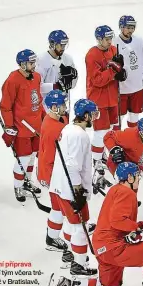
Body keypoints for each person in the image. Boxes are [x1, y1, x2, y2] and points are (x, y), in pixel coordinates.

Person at [45, 162, 143, 286]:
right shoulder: (127, 193)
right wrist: (136, 227)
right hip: (113, 247)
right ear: (129, 177)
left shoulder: (116, 190)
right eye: (137, 176)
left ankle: (67, 284)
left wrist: (131, 232)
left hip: (103, 247)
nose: (138, 180)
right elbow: (117, 220)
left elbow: (115, 221)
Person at [49, 99, 100, 276]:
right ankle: (78, 265)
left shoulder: (68, 128)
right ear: (85, 115)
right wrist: (78, 192)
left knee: (72, 224)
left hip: (59, 186)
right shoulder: (80, 135)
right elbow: (72, 166)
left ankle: (70, 254)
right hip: (70, 189)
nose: (95, 117)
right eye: (93, 114)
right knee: (79, 227)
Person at [0, 49, 44, 202]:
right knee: (23, 158)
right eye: (31, 63)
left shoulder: (37, 77)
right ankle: (18, 186)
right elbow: (5, 106)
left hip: (36, 126)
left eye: (34, 62)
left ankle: (27, 181)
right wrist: (9, 126)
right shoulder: (12, 80)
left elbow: (38, 101)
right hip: (22, 128)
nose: (34, 65)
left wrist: (44, 118)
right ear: (22, 64)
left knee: (32, 157)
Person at [85, 25, 127, 174]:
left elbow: (119, 70)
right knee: (100, 131)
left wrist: (122, 72)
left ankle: (107, 154)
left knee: (113, 129)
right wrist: (113, 71)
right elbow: (97, 80)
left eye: (111, 38)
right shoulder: (91, 55)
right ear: (99, 39)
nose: (110, 41)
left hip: (113, 98)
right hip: (98, 99)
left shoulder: (114, 50)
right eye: (107, 39)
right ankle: (96, 160)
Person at [37, 90, 69, 253]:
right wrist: (52, 178)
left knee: (61, 207)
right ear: (54, 107)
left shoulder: (55, 120)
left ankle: (54, 235)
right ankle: (52, 239)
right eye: (62, 104)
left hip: (54, 172)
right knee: (59, 208)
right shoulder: (52, 129)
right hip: (53, 174)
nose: (65, 106)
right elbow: (50, 157)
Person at [113, 15, 143, 129]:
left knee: (135, 116)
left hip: (137, 87)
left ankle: (132, 140)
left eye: (132, 27)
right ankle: (117, 142)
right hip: (122, 88)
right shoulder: (114, 43)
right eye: (128, 27)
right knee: (119, 118)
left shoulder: (139, 41)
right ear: (121, 27)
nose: (130, 30)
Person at [36, 30, 78, 104]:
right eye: (61, 45)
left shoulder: (68, 59)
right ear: (52, 44)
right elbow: (37, 86)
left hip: (64, 105)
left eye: (64, 45)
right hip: (48, 107)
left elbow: (73, 84)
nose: (63, 48)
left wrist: (73, 77)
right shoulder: (41, 60)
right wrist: (56, 86)